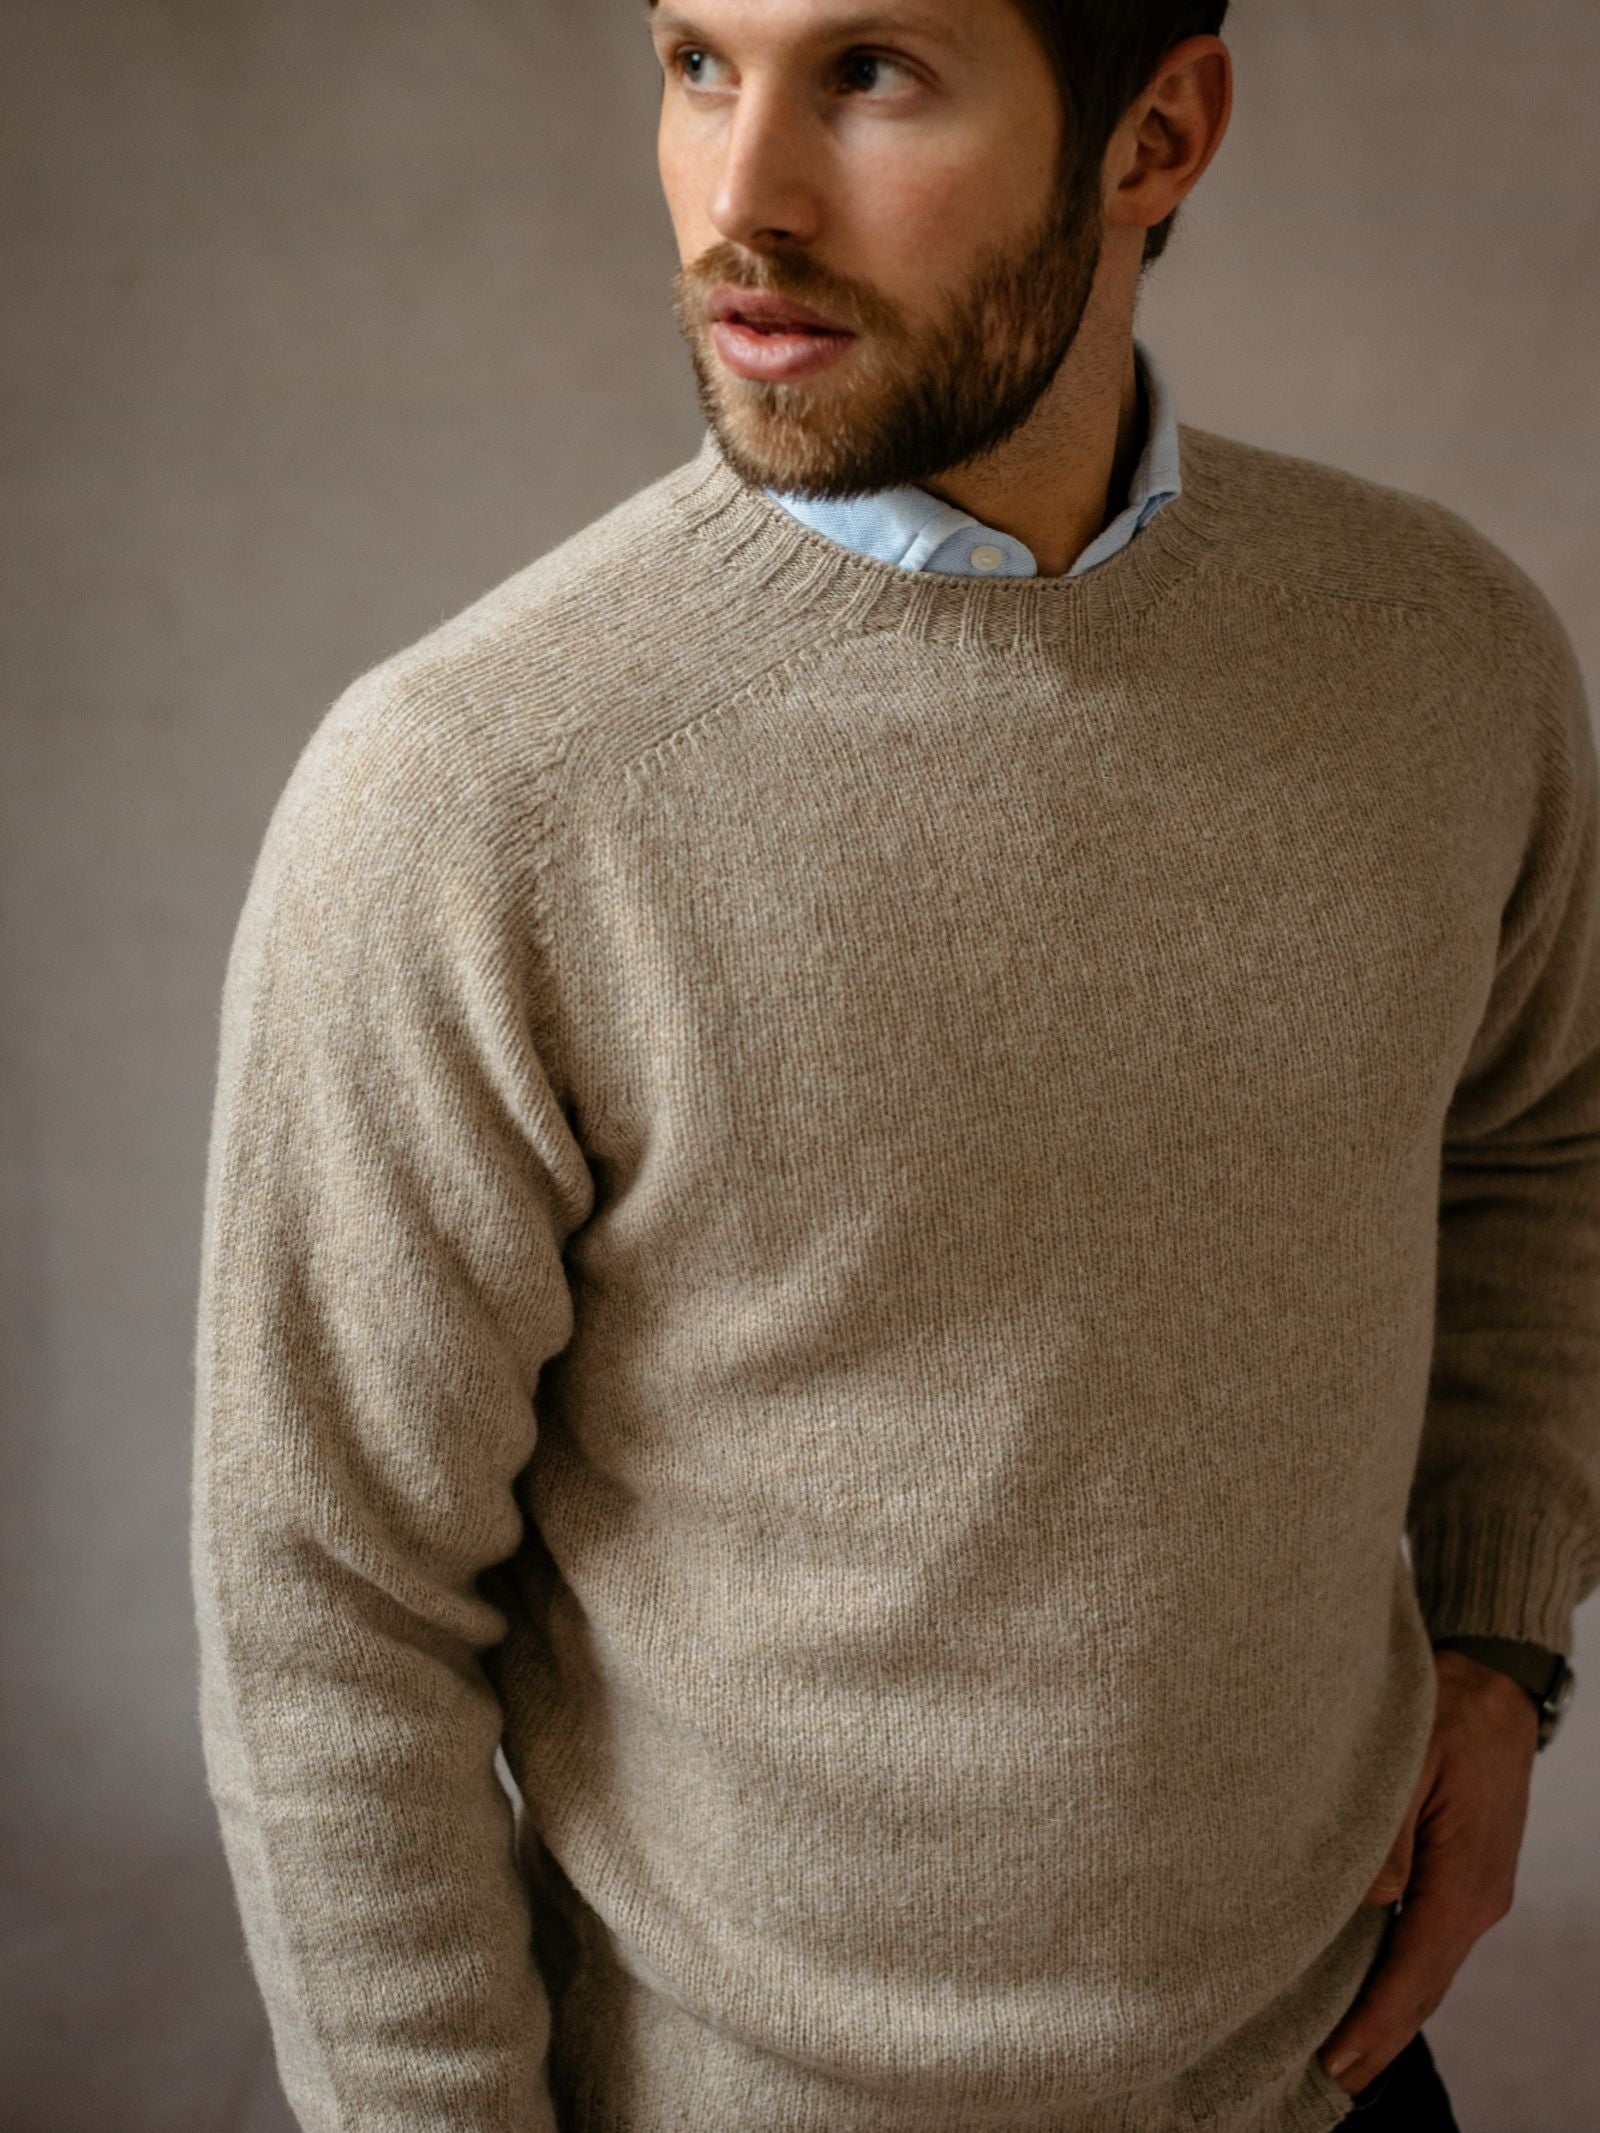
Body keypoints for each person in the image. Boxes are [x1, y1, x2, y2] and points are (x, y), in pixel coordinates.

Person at [189, 2, 1596, 2129]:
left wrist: (1498, 1653)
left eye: (866, 73)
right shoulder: (473, 792)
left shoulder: (1436, 648)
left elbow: (1536, 1144)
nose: (738, 197)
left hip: (1328, 2073)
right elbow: (328, 1609)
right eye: (691, 63)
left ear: (1152, 137)